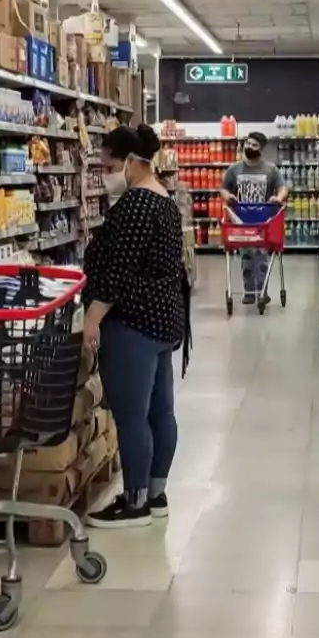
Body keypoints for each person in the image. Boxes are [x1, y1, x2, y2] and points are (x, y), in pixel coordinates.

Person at [82, 124, 188, 527]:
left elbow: (116, 275)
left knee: (131, 415)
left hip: (132, 324)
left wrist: (92, 320)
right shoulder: (162, 199)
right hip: (162, 320)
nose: (104, 175)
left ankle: (134, 502)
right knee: (161, 411)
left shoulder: (133, 206)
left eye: (108, 166)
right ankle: (156, 493)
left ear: (130, 162)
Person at [220, 131, 287, 304]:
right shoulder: (234, 169)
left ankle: (262, 290)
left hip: (262, 222)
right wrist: (228, 197)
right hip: (241, 222)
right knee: (246, 257)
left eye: (254, 145)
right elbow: (224, 189)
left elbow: (282, 188)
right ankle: (249, 292)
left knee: (261, 256)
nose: (249, 147)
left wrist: (277, 199)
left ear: (261, 149)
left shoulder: (270, 169)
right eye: (248, 143)